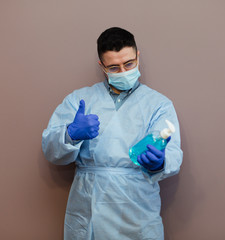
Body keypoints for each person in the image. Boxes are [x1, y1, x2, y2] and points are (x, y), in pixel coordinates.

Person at [42, 27, 183, 240]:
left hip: (136, 205)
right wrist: (71, 134)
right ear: (102, 67)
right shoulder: (79, 100)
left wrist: (160, 163)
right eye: (114, 68)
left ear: (138, 57)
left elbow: (172, 152)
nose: (124, 72)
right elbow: (51, 151)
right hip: (89, 201)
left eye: (129, 64)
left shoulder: (158, 105)